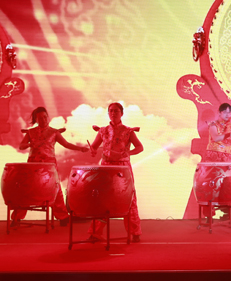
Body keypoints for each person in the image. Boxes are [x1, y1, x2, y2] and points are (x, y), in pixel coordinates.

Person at [13, 107, 89, 227]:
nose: (43, 120)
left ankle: (63, 217)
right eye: (40, 118)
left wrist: (80, 148)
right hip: (33, 165)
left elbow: (66, 144)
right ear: (36, 119)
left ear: (47, 117)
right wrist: (29, 144)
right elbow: (21, 146)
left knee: (55, 190)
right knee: (27, 189)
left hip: (49, 166)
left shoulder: (54, 132)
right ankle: (17, 217)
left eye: (45, 117)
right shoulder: (31, 132)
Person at [88, 103, 143, 242]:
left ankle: (134, 232)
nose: (113, 113)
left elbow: (139, 147)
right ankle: (95, 232)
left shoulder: (128, 131)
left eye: (116, 111)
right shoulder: (103, 131)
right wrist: (93, 151)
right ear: (108, 113)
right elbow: (94, 146)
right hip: (106, 167)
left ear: (122, 113)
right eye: (111, 111)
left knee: (128, 198)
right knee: (102, 198)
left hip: (122, 168)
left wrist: (127, 153)